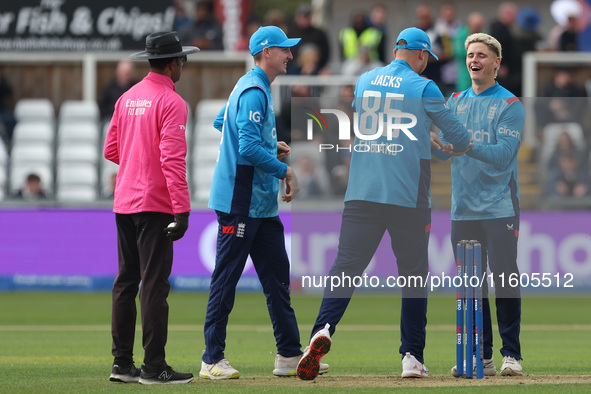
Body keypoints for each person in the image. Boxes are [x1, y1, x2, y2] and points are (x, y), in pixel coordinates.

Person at [296, 27, 473, 380]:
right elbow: (460, 137)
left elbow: (388, 125)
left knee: (345, 268)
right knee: (413, 277)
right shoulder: (425, 87)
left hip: (361, 192)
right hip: (407, 196)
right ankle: (411, 357)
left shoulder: (364, 80)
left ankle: (322, 330)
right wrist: (448, 145)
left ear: (395, 51)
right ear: (422, 55)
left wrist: (425, 135)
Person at [200, 25, 326, 380]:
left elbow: (220, 121)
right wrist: (285, 169)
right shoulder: (255, 90)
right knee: (226, 280)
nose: (290, 55)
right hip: (241, 202)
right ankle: (211, 359)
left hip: (260, 204)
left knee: (277, 280)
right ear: (266, 51)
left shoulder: (250, 85)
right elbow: (247, 147)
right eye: (285, 50)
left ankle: (288, 354)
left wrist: (271, 146)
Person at [104, 31, 199, 385]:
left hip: (124, 201)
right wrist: (183, 210)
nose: (182, 67)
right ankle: (154, 366)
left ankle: (122, 365)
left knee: (125, 282)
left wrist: (136, 159)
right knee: (155, 285)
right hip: (155, 204)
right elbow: (173, 159)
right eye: (182, 61)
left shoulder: (127, 97)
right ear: (173, 63)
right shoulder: (171, 101)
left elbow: (111, 150)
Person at [432, 33, 526, 377]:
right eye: (470, 54)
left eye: (482, 55)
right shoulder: (454, 101)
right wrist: (436, 147)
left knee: (505, 280)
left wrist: (464, 144)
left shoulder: (511, 105)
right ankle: (481, 357)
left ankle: (511, 354)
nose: (474, 60)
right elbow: (446, 154)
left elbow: (503, 156)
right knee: (471, 286)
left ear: (497, 63)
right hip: (463, 209)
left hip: (500, 206)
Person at [287, 3, 331, 74]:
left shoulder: (319, 34)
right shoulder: (291, 33)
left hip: (316, 70)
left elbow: (326, 53)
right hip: (294, 70)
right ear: (297, 17)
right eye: (303, 16)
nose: (305, 19)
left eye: (307, 16)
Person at [98, 59, 139, 123]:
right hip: (112, 118)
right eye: (125, 73)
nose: (127, 76)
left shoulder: (136, 87)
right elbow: (102, 107)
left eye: (129, 73)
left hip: (132, 119)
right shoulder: (110, 87)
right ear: (118, 72)